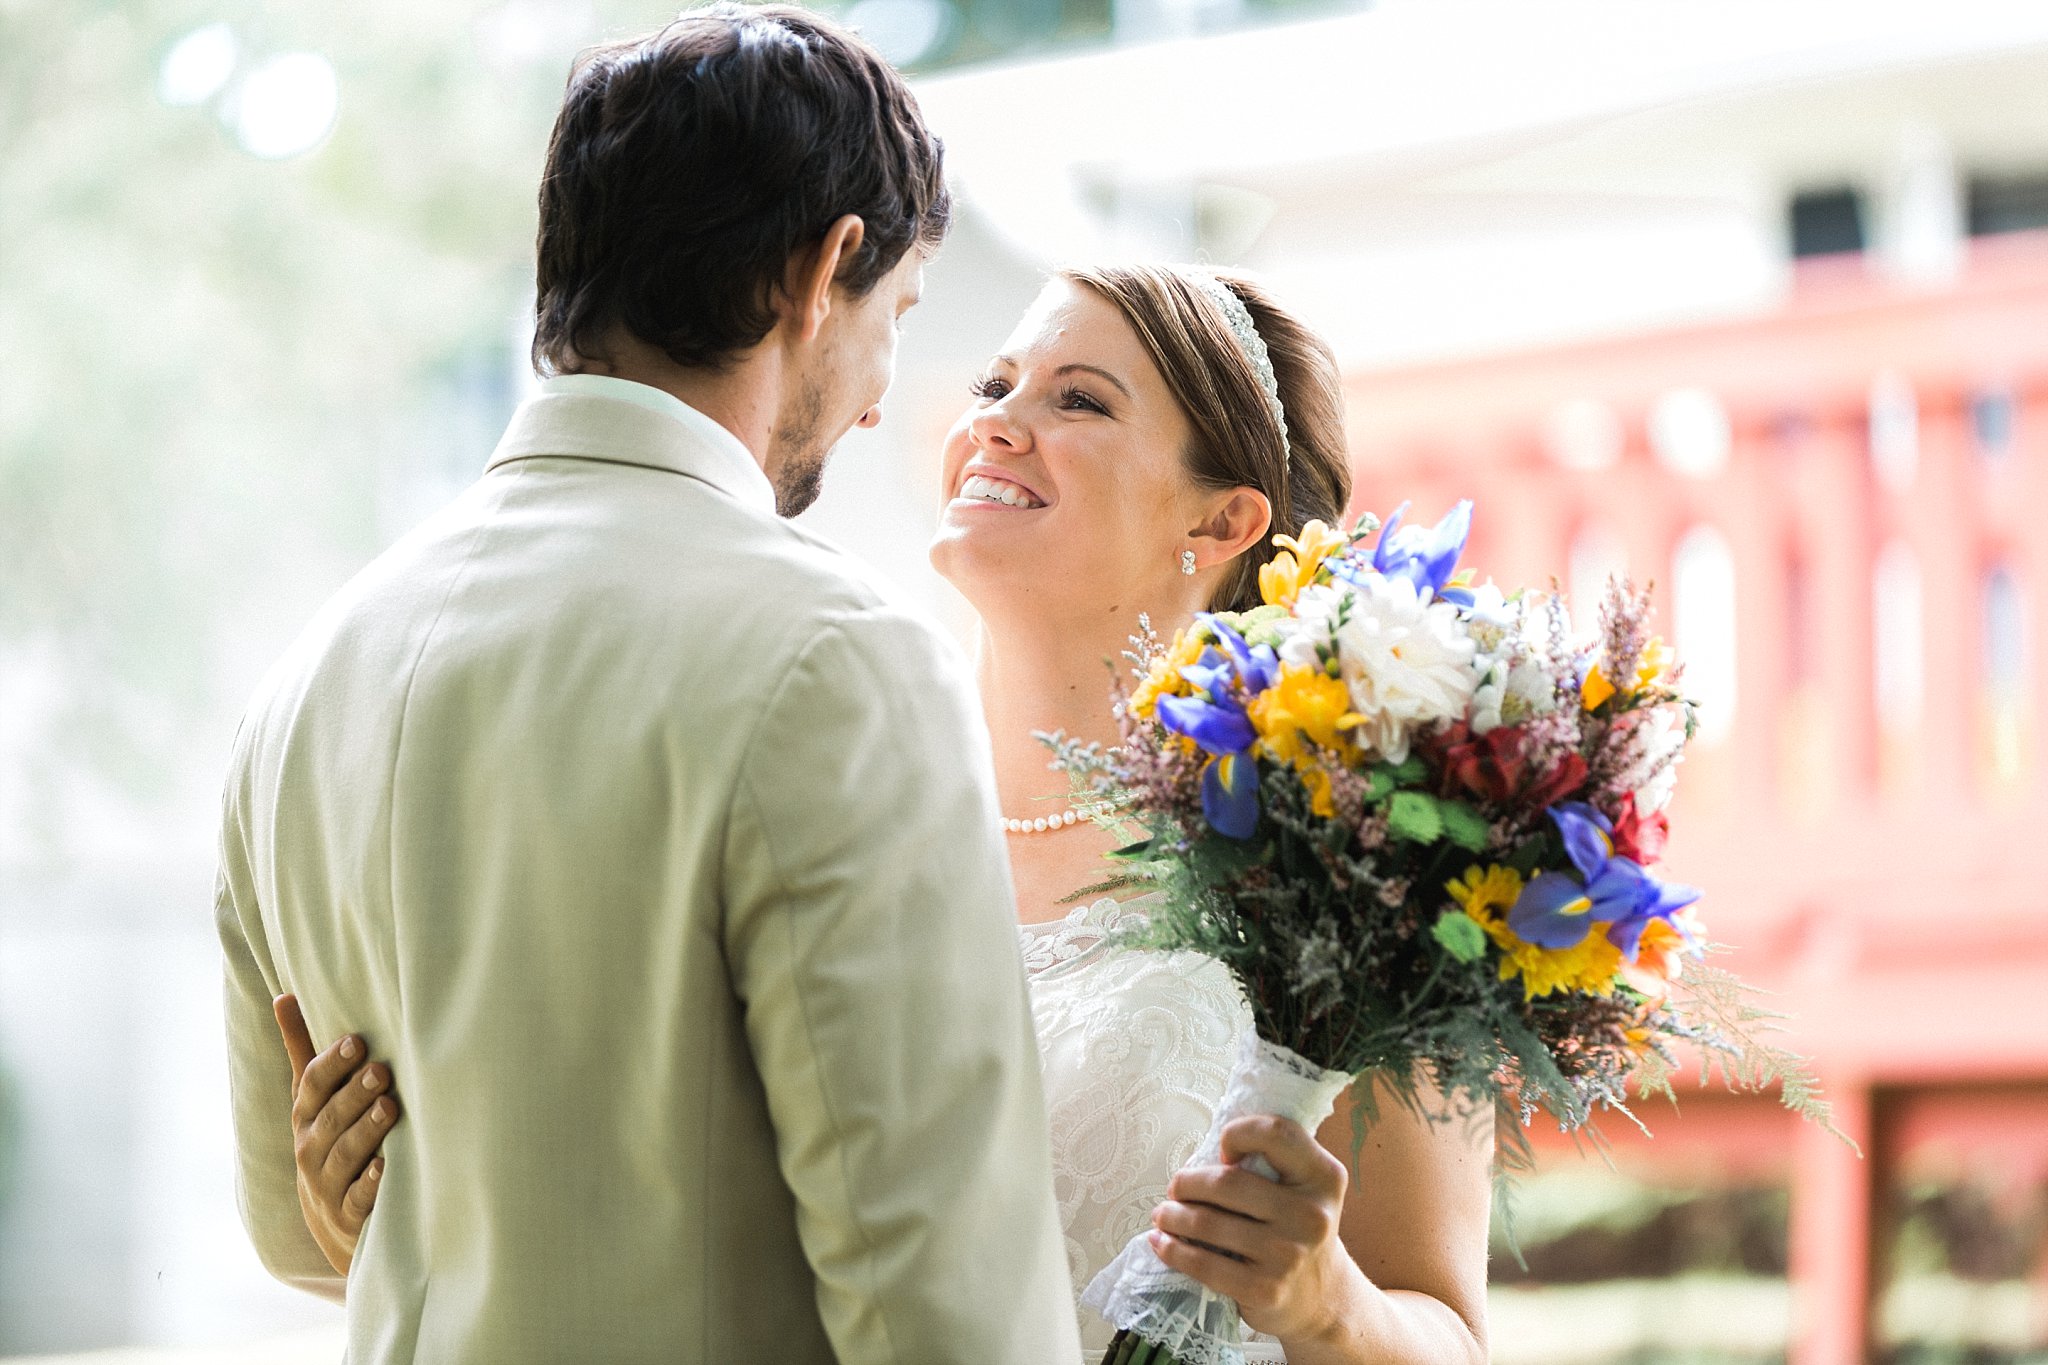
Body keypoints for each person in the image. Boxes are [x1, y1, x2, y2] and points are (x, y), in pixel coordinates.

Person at [283, 262, 1496, 1362]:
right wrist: (400, 1215)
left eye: (1078, 401)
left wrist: (1326, 1301)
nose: (995, 423)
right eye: (996, 378)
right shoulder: (814, 763)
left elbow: (1444, 1326)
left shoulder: (1355, 861)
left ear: (1221, 520)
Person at [214, 7, 1082, 1362]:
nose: (872, 404)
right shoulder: (834, 660)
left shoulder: (300, 686)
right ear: (824, 270)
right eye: (896, 317)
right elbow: (946, 1312)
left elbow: (296, 1235)